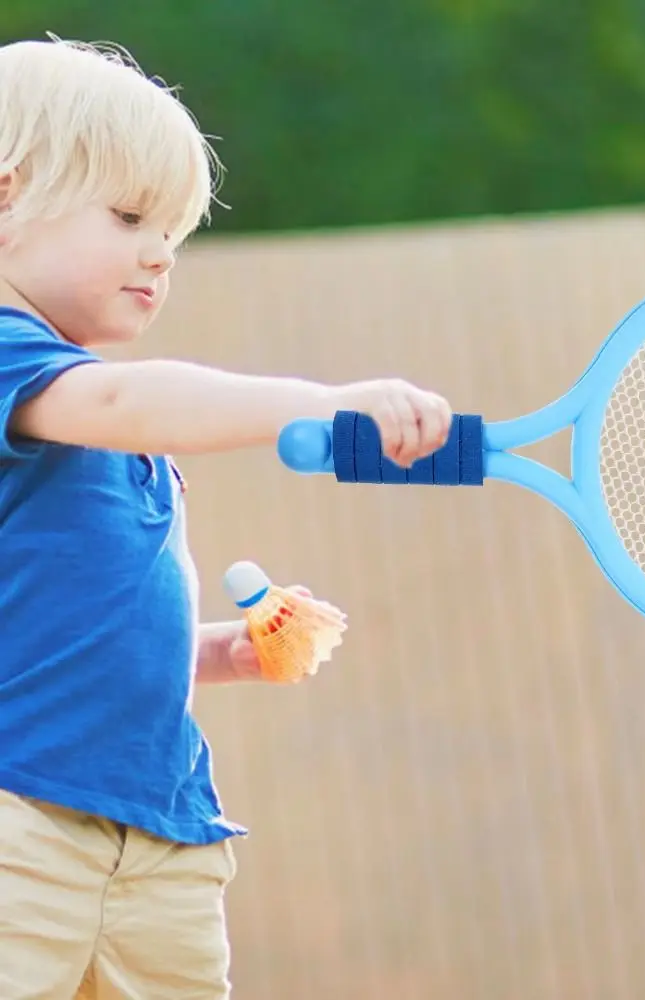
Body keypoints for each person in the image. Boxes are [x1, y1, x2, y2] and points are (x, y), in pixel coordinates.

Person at [0, 36, 452, 999]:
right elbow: (129, 402)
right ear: (5, 198)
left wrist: (213, 652)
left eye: (172, 231)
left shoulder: (93, 418)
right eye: (128, 216)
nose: (159, 254)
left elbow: (66, 626)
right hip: (20, 826)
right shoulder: (25, 367)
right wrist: (324, 402)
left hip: (158, 830)